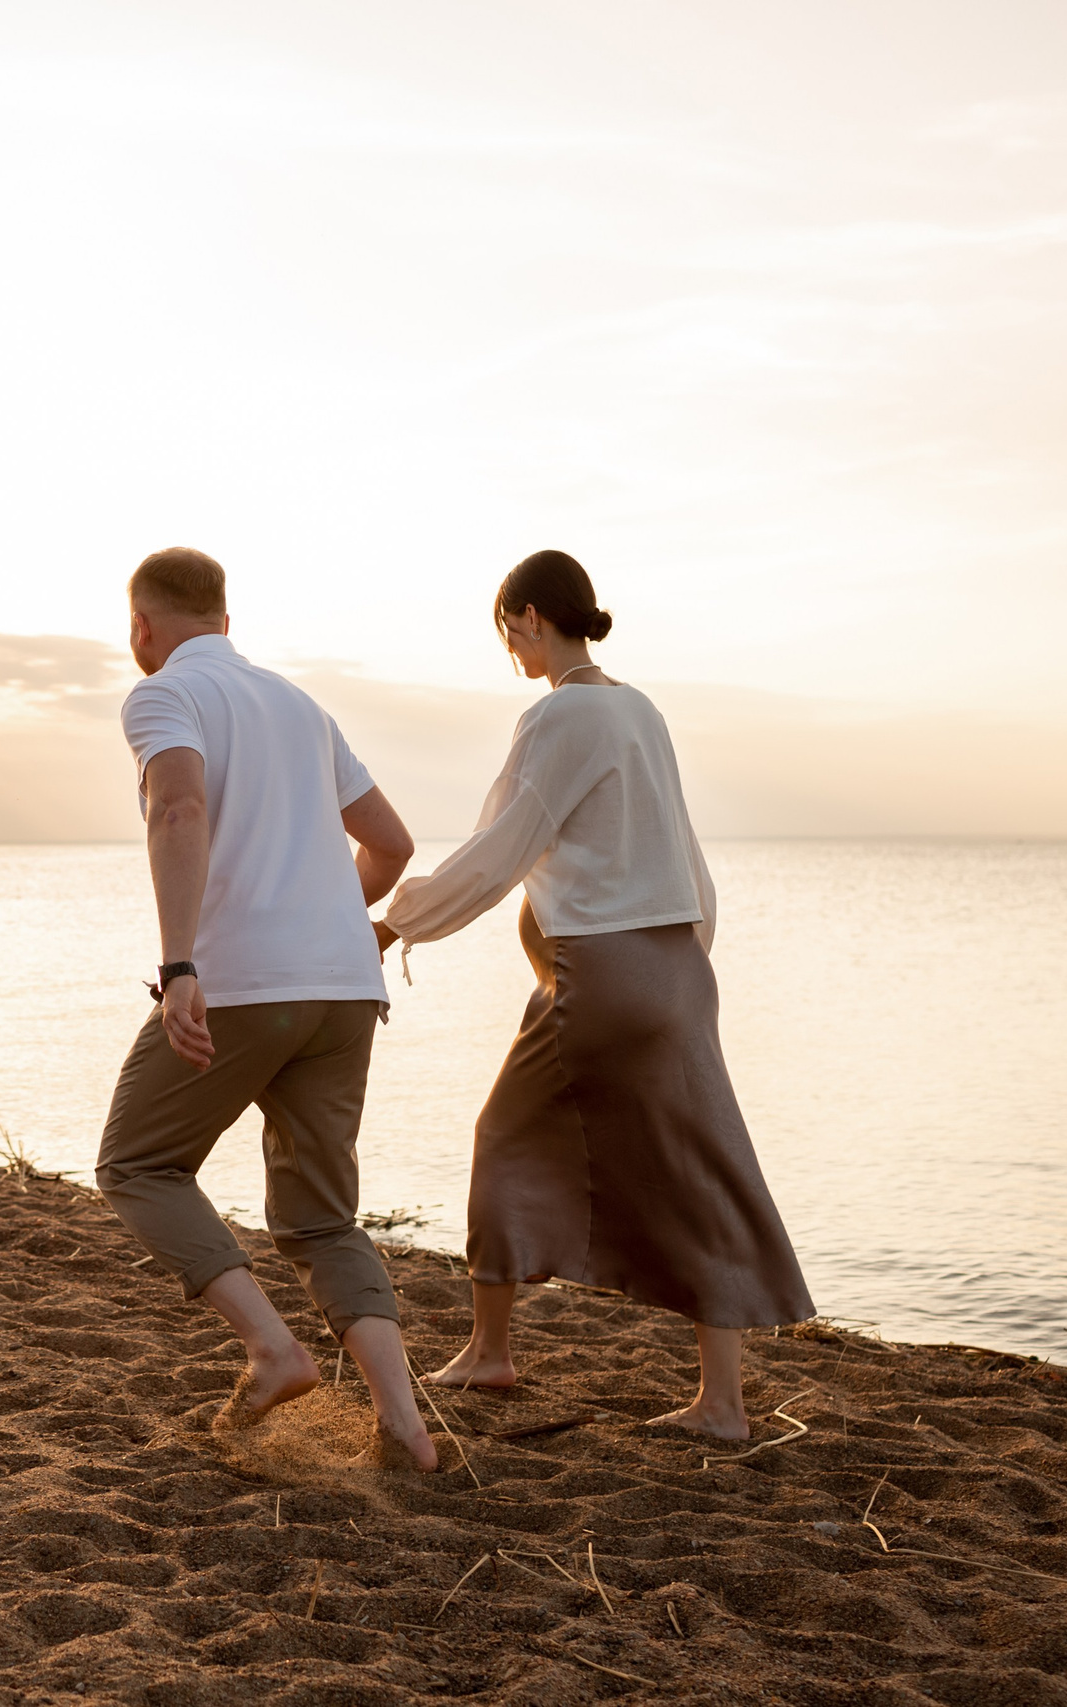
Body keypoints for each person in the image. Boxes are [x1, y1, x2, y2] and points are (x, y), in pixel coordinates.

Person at [374, 549, 812, 1440]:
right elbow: (682, 849)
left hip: (600, 980)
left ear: (532, 615)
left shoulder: (559, 717)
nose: (510, 652)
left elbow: (499, 850)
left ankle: (491, 1352)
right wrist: (686, 966)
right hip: (681, 972)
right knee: (699, 1169)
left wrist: (392, 925)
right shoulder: (640, 708)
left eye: (508, 632)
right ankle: (722, 1404)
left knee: (502, 1131)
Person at [96, 547, 440, 1471]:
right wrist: (333, 919)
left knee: (137, 1161)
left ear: (142, 626)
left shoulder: (163, 692)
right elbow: (393, 845)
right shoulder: (301, 705)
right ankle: (403, 1425)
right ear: (227, 619)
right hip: (344, 989)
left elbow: (178, 812)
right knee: (325, 1217)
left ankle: (272, 1349)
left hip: (245, 981)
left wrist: (178, 968)